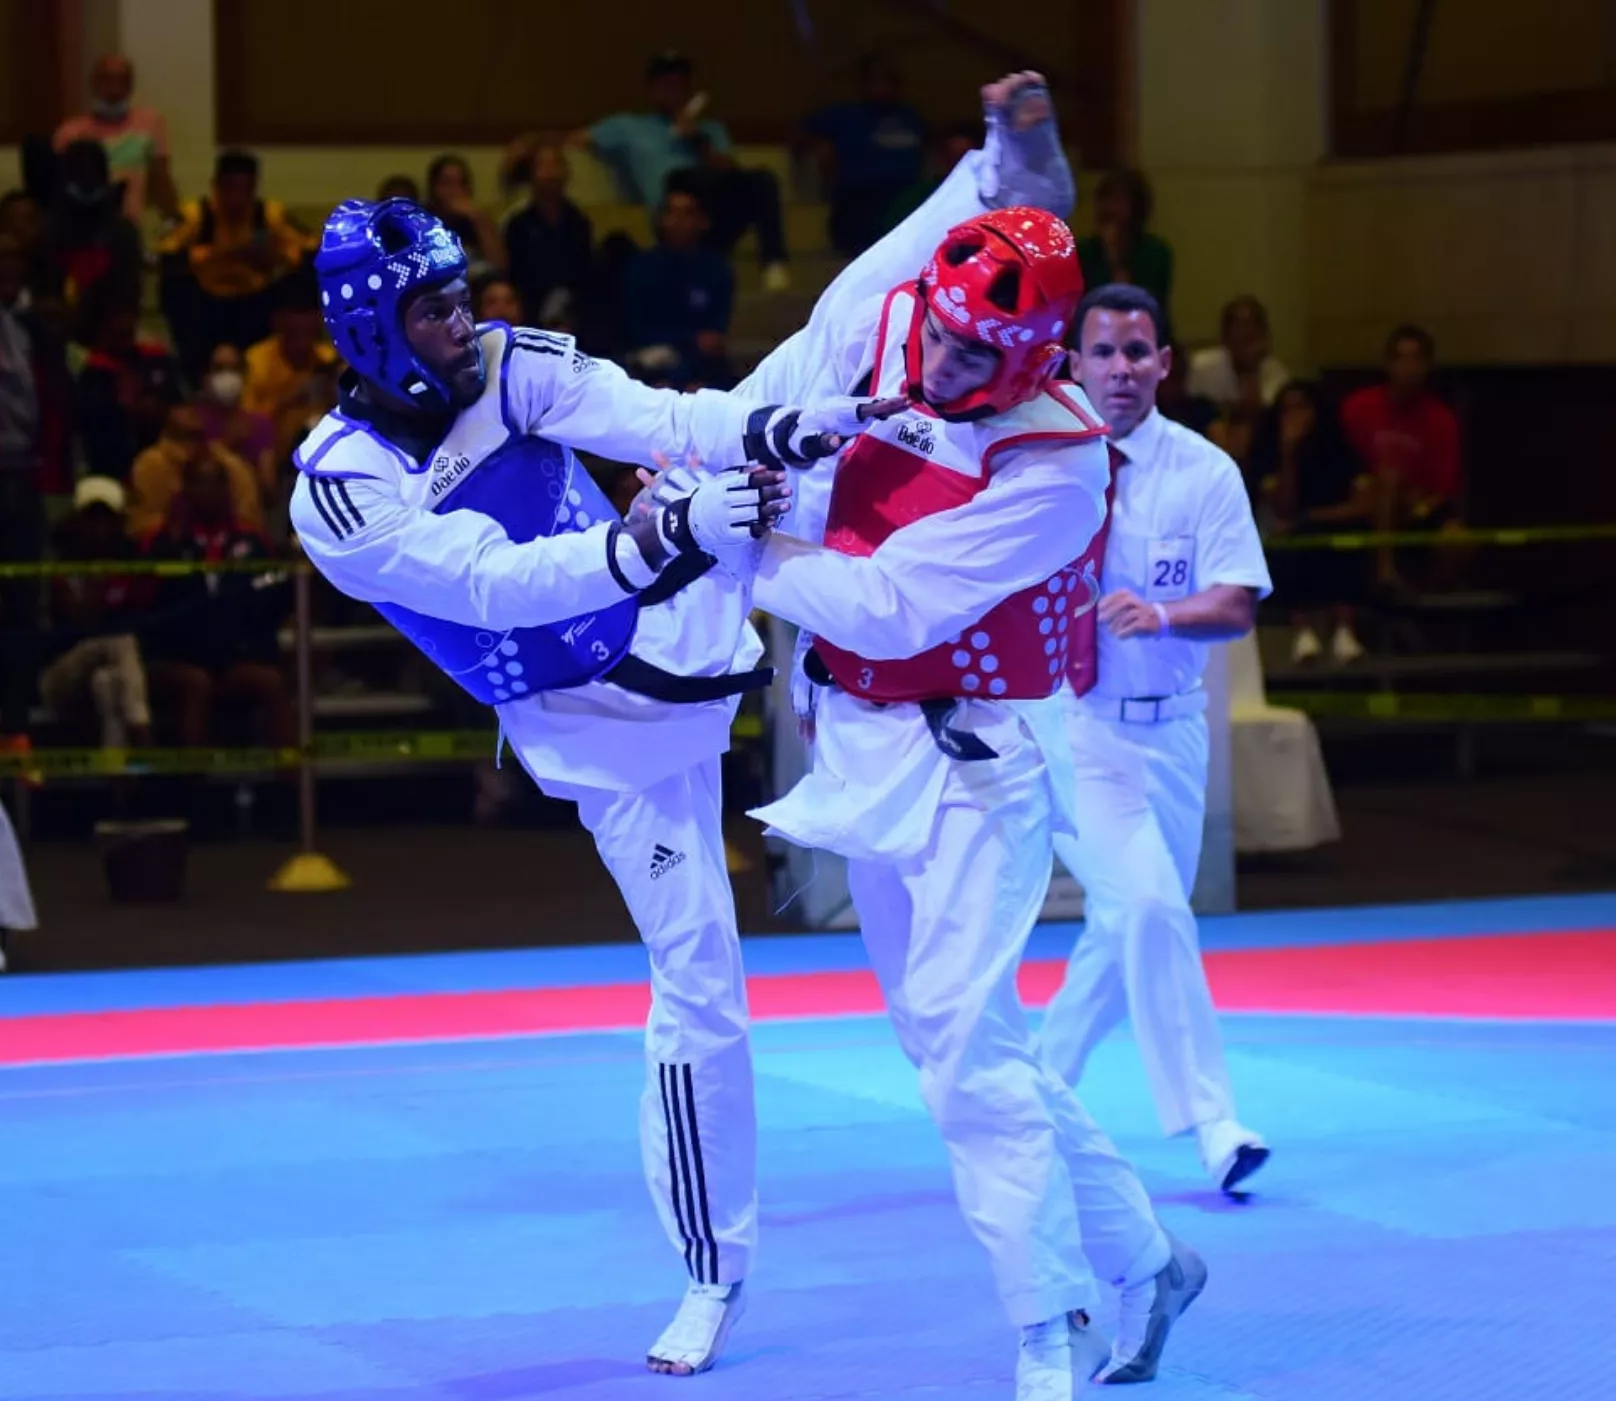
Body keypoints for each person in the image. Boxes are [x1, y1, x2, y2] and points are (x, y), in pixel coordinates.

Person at [286, 194, 890, 1376]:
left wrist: (768, 437)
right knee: (701, 984)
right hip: (604, 730)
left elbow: (662, 415)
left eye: (465, 296)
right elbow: (494, 585)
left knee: (809, 365)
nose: (465, 323)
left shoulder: (510, 364)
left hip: (681, 601)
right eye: (434, 309)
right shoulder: (339, 486)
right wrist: (659, 540)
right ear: (371, 327)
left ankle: (988, 173)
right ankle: (714, 1273)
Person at [731, 75, 1202, 1398]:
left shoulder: (1059, 466)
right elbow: (1015, 197)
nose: (940, 365)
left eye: (972, 357)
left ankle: (1045, 1325)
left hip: (979, 755)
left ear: (1041, 356)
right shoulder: (901, 299)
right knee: (955, 1042)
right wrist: (1031, 134)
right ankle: (1149, 1259)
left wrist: (737, 550)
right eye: (936, 335)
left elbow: (889, 606)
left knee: (959, 1045)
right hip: (854, 741)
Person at [1041, 282, 1274, 1195]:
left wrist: (1164, 616)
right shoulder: (1042, 462)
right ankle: (1212, 1121)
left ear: (1164, 364)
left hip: (1173, 735)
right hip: (1081, 730)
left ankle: (1036, 1090)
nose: (1122, 370)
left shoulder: (1204, 471)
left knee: (1121, 926)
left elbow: (1237, 604)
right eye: (1103, 352)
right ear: (1074, 363)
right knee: (1148, 911)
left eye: (1138, 352)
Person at [575, 51, 790, 292]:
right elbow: (577, 139)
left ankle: (774, 262)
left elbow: (732, 174)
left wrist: (697, 140)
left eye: (678, 85)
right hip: (671, 215)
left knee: (763, 179)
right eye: (665, 85)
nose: (672, 91)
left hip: (715, 216)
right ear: (652, 89)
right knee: (682, 178)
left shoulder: (710, 129)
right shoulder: (629, 127)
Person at [140, 453, 292, 749]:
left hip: (235, 658)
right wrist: (169, 544)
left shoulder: (252, 541)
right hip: (179, 659)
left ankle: (292, 786)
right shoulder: (166, 541)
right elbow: (149, 601)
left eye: (214, 483)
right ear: (186, 490)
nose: (206, 492)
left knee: (271, 683)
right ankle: (194, 787)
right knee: (196, 684)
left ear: (226, 489)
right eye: (198, 483)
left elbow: (269, 601)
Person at [158, 149, 315, 377]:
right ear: (216, 185)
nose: (238, 199)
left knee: (305, 279)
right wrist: (220, 253)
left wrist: (273, 256)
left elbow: (309, 250)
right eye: (231, 188)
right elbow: (164, 256)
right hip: (205, 305)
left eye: (246, 190)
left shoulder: (269, 215)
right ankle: (193, 373)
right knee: (175, 285)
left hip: (254, 303)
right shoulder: (195, 215)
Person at [1248, 380, 1371, 664]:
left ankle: (1344, 630)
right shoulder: (1268, 455)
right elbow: (1285, 508)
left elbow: (1362, 504)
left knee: (1348, 539)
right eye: (1287, 409)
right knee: (1292, 542)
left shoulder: (1339, 449)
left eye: (1302, 407)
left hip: (1330, 527)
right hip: (1288, 536)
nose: (1296, 416)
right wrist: (1289, 451)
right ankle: (1302, 631)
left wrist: (1313, 517)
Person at [1339, 324, 1465, 593]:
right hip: (1363, 499)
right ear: (1388, 363)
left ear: (1428, 366)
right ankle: (1384, 572)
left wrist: (1414, 503)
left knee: (1458, 539)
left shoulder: (1441, 420)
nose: (1408, 368)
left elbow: (1444, 490)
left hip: (1417, 507)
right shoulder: (1357, 407)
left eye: (1416, 359)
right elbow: (1339, 461)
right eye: (1401, 358)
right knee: (1386, 481)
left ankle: (1429, 608)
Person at [39, 476, 153, 750]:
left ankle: (121, 786)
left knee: (108, 685)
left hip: (114, 673)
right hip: (60, 678)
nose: (99, 528)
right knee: (118, 641)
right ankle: (142, 729)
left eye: (106, 519)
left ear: (118, 523)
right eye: (92, 518)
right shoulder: (62, 565)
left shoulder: (132, 565)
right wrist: (105, 583)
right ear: (78, 521)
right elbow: (79, 618)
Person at [805, 55, 927, 256]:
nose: (881, 87)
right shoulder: (845, 115)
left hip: (904, 195)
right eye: (875, 81)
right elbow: (804, 131)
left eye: (887, 80)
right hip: (859, 196)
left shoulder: (911, 117)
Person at [623, 181, 734, 390]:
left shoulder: (717, 269)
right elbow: (636, 327)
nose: (678, 221)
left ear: (703, 221)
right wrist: (689, 339)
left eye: (687, 213)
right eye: (671, 213)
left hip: (701, 363)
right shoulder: (641, 267)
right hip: (651, 359)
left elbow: (716, 330)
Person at [53, 54, 179, 224]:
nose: (115, 89)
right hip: (87, 227)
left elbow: (161, 180)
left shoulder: (151, 123)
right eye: (107, 80)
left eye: (123, 81)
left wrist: (174, 220)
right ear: (94, 84)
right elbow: (60, 189)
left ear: (131, 86)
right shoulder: (70, 133)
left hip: (136, 225)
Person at [127, 403, 263, 540]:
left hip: (227, 545)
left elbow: (249, 520)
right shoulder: (149, 465)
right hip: (169, 546)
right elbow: (139, 525)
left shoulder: (233, 466)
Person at [503, 144, 593, 330]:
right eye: (543, 166)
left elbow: (584, 275)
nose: (551, 173)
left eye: (556, 164)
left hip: (574, 310)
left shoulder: (579, 221)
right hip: (531, 310)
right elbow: (515, 274)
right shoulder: (518, 223)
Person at [1075, 171, 1172, 325]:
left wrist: (1115, 256)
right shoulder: (1084, 251)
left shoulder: (1155, 252)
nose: (1109, 207)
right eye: (1105, 198)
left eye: (1118, 200)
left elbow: (1146, 304)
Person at [196, 341, 279, 502]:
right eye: (219, 369)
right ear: (206, 376)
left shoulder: (260, 424)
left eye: (234, 369)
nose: (228, 377)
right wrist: (227, 442)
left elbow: (269, 491)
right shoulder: (193, 422)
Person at [425, 154, 503, 278]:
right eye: (446, 183)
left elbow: (500, 267)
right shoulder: (422, 221)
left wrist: (479, 220)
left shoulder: (478, 219)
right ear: (434, 188)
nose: (454, 190)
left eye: (461, 184)